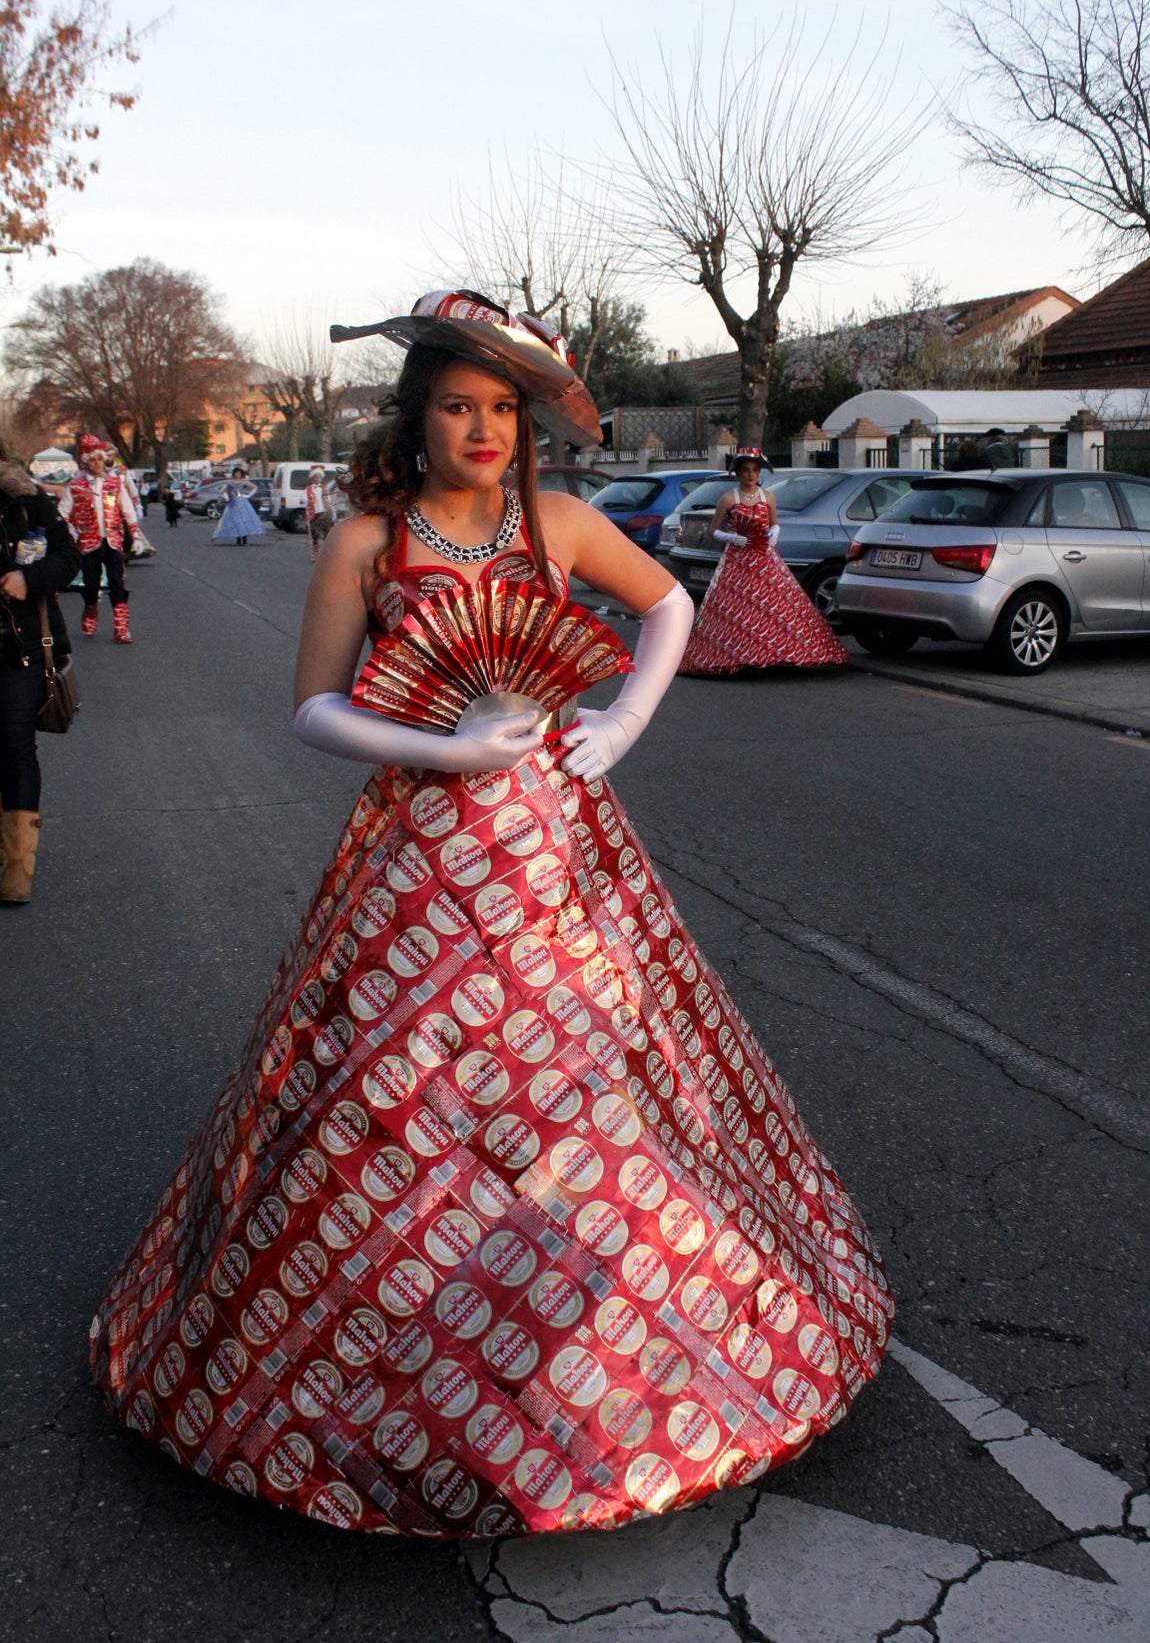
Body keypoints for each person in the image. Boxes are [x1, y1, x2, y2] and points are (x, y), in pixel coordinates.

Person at [91, 291, 891, 1538]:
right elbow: (310, 708)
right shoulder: (364, 542)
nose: (480, 427)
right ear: (417, 420)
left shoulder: (558, 522)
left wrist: (619, 721)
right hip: (417, 855)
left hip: (559, 854)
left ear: (523, 426)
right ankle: (387, 1357)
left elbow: (668, 606)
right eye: (457, 405)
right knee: (391, 1088)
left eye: (501, 408)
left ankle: (630, 1368)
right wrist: (437, 747)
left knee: (600, 1075)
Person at [679, 446, 848, 674]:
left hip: (764, 558)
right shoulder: (728, 498)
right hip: (737, 561)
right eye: (746, 470)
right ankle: (735, 653)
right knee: (737, 607)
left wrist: (774, 533)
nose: (751, 474)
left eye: (755, 470)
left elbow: (774, 522)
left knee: (775, 605)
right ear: (738, 473)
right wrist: (732, 538)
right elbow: (712, 530)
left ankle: (773, 652)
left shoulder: (768, 496)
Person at [0, 450, 81, 903]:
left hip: (20, 648)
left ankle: (18, 865)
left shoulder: (27, 501)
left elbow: (69, 558)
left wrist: (27, 581)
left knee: (14, 744)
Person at [58, 435, 144, 644]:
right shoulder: (76, 486)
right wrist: (71, 530)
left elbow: (127, 510)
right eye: (93, 459)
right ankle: (90, 607)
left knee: (117, 583)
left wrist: (135, 535)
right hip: (89, 544)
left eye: (100, 459)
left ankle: (121, 628)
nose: (97, 463)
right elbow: (62, 513)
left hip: (113, 540)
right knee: (91, 585)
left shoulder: (114, 483)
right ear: (85, 461)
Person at [213, 466, 265, 546]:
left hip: (242, 503)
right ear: (234, 473)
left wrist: (248, 495)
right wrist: (226, 497)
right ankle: (238, 539)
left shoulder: (244, 481)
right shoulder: (230, 481)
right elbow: (224, 491)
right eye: (236, 473)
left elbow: (254, 488)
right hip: (233, 503)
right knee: (235, 520)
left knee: (244, 520)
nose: (238, 474)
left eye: (239, 473)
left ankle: (244, 539)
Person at [305, 463, 333, 561]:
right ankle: (315, 554)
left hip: (324, 512)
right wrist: (306, 501)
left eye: (319, 477)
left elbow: (328, 499)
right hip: (314, 513)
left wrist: (330, 509)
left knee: (327, 533)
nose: (318, 479)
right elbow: (303, 499)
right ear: (312, 478)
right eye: (316, 477)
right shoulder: (308, 489)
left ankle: (327, 553)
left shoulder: (324, 488)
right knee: (315, 534)